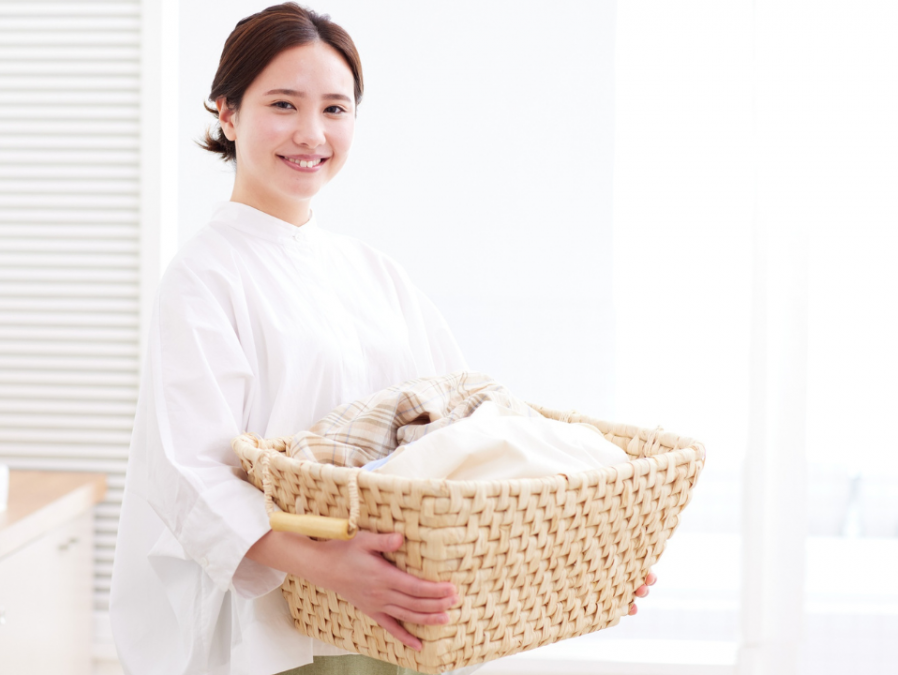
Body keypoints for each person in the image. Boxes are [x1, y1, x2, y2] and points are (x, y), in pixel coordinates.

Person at [109, 4, 655, 674]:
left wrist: (582, 554)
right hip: (283, 627)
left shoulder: (373, 273)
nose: (311, 133)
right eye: (283, 104)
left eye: (335, 109)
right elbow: (189, 475)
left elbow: (472, 436)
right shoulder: (204, 276)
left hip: (397, 619)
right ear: (227, 112)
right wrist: (331, 567)